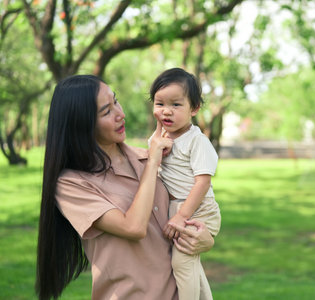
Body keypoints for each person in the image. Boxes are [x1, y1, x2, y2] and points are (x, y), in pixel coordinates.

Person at [35, 74, 215, 300]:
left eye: (116, 101)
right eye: (106, 111)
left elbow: (188, 206)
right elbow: (134, 227)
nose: (121, 114)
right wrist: (152, 163)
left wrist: (205, 239)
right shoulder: (72, 184)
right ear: (81, 123)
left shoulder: (150, 158)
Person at [149, 68, 221, 300]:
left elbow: (202, 182)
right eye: (159, 104)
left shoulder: (196, 141)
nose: (166, 111)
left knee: (182, 262)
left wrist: (181, 216)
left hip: (198, 209)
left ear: (194, 108)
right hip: (177, 209)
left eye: (176, 105)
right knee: (190, 264)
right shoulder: (159, 138)